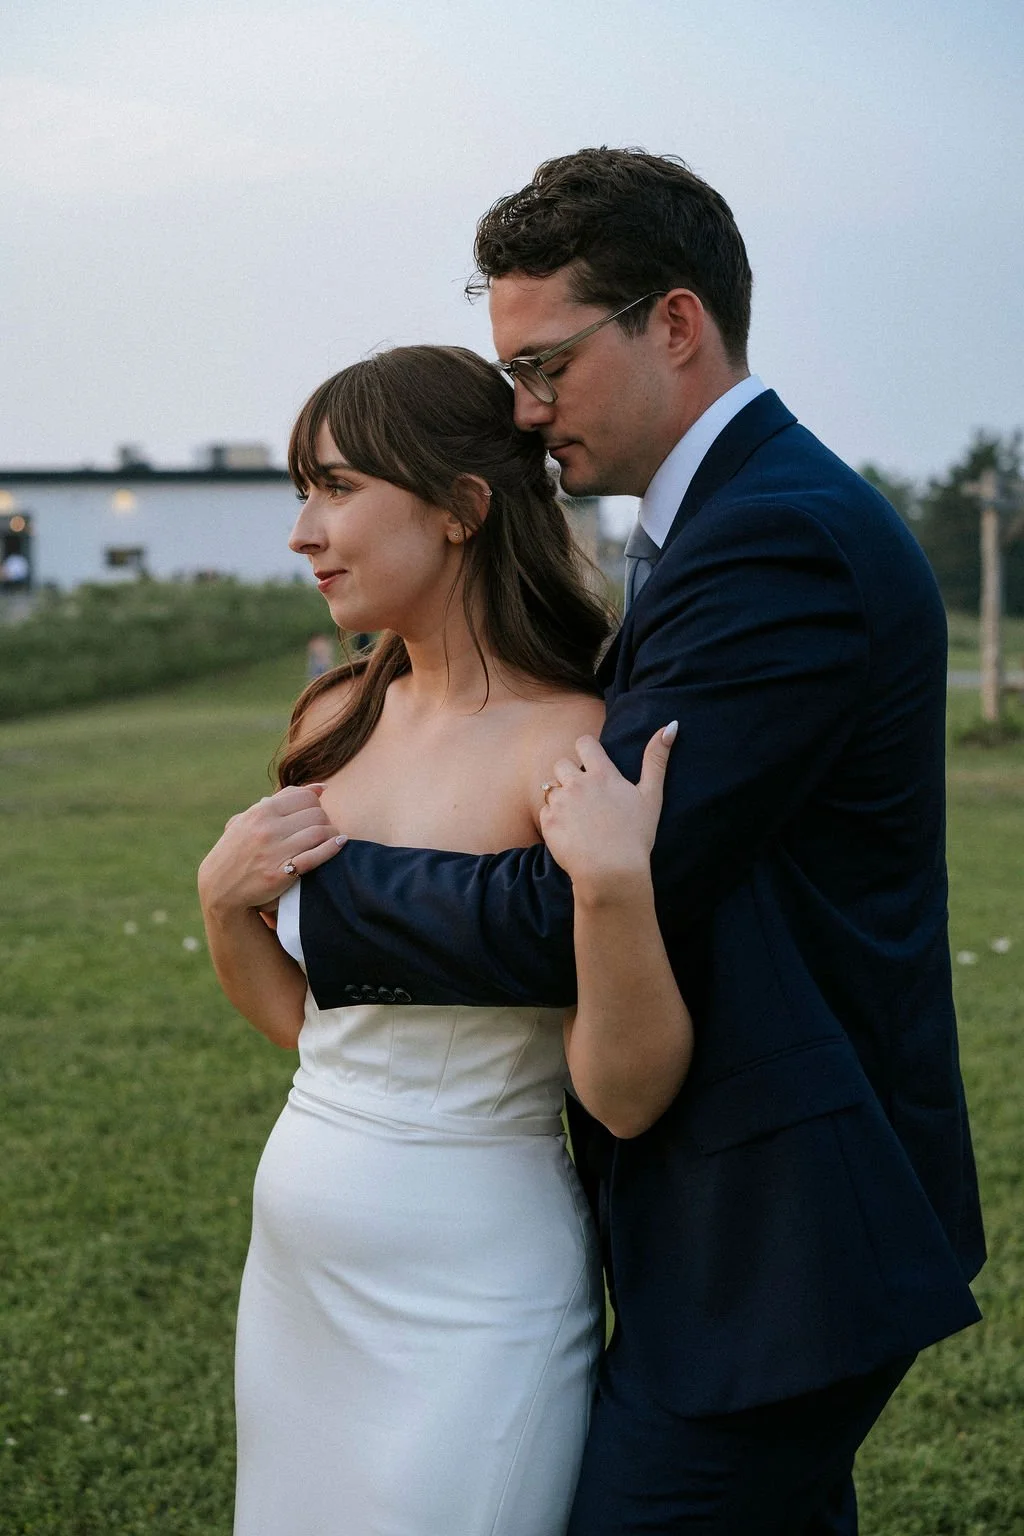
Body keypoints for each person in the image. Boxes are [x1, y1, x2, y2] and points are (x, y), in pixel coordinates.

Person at [290, 149, 986, 1534]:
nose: (525, 411)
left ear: (675, 323)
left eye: (545, 366)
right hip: (743, 1213)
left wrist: (310, 895)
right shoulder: (726, 522)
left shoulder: (775, 538)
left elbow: (576, 895)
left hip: (781, 1231)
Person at [198, 344, 695, 1535]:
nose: (303, 533)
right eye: (297, 493)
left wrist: (615, 888)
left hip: (478, 1284)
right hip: (298, 1264)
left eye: (335, 488)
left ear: (462, 509)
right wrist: (223, 904)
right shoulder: (334, 714)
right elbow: (308, 1027)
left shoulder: (569, 745)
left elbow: (625, 1101)